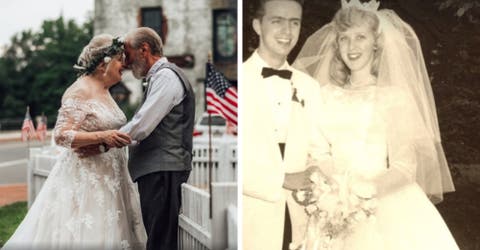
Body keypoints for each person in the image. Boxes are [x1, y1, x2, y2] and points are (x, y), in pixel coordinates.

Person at [293, 1, 459, 249]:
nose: (352, 46)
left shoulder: (393, 98)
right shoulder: (324, 95)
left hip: (384, 202)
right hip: (331, 204)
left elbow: (405, 166)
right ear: (336, 45)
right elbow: (317, 152)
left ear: (376, 43)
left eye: (361, 36)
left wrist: (363, 193)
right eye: (344, 38)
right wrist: (333, 190)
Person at [3, 34, 147, 250]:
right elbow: (61, 135)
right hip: (89, 180)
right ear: (103, 63)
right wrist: (102, 137)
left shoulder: (105, 92)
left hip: (112, 177)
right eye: (120, 59)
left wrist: (104, 142)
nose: (124, 64)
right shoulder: (80, 90)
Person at [242, 0, 331, 249]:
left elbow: (320, 149)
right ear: (258, 25)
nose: (287, 31)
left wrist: (317, 174)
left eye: (294, 22)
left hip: (298, 219)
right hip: (249, 220)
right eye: (277, 21)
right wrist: (282, 178)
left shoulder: (309, 87)